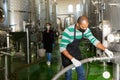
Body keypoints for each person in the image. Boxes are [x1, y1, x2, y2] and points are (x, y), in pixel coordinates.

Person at [59, 15, 113, 80]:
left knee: (81, 73)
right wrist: (72, 59)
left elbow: (94, 40)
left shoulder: (86, 30)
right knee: (68, 74)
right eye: (83, 27)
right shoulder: (68, 31)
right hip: (66, 54)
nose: (85, 29)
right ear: (77, 24)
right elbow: (62, 48)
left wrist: (106, 50)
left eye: (86, 27)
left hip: (76, 52)